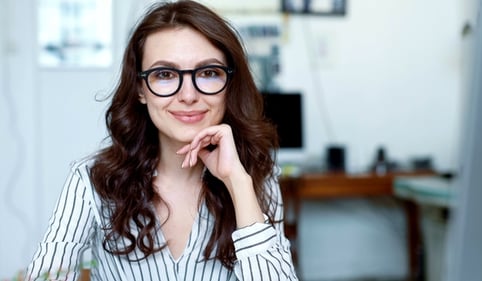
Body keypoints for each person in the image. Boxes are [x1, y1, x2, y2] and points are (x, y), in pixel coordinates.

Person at [25, 1, 298, 280]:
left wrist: (238, 185)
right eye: (165, 75)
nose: (189, 96)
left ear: (229, 86)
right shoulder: (91, 180)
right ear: (141, 89)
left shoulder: (255, 179)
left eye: (208, 73)